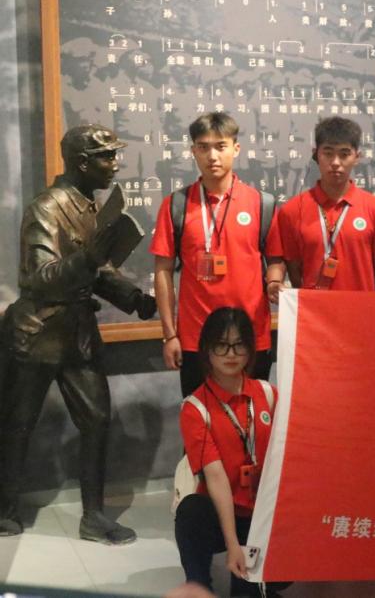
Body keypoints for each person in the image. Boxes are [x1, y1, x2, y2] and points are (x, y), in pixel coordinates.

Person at [0, 124, 157, 542]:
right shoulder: (46, 208)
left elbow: (98, 270)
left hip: (78, 336)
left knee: (97, 420)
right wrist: (88, 258)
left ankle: (93, 516)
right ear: (82, 162)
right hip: (37, 333)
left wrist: (133, 298)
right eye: (107, 156)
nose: (115, 164)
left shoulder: (90, 206)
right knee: (17, 423)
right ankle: (4, 510)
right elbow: (41, 276)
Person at [152, 113, 274, 398]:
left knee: (252, 417)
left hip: (251, 337)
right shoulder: (176, 205)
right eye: (203, 147)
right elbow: (162, 271)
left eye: (220, 146)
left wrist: (276, 282)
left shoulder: (261, 204)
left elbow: (276, 263)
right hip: (197, 339)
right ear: (193, 151)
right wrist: (170, 335)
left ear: (236, 148)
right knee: (201, 419)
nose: (212, 156)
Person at [174, 307, 279, 596]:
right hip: (221, 514)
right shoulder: (195, 409)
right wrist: (233, 545)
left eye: (239, 345)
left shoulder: (267, 394)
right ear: (207, 350)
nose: (231, 354)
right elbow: (216, 477)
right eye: (221, 345)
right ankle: (199, 586)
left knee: (249, 591)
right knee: (191, 512)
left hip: (262, 514)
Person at [264, 117, 375, 299]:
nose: (336, 162)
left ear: (357, 157)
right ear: (316, 155)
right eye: (328, 153)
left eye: (344, 154)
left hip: (360, 308)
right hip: (313, 310)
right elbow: (295, 270)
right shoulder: (292, 210)